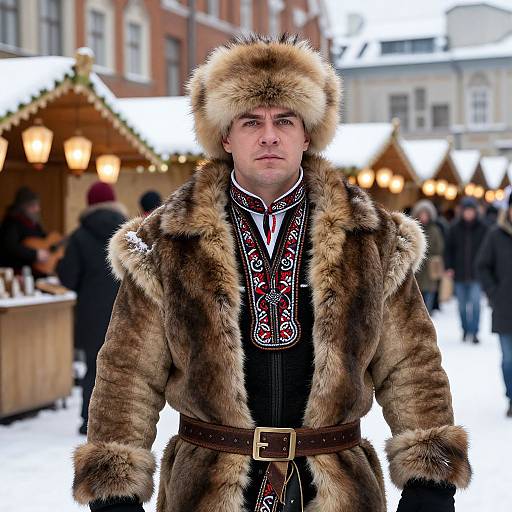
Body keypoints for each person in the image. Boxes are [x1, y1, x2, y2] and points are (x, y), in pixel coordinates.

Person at [72, 36, 470, 512]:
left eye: (284, 120)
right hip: (207, 491)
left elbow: (409, 363)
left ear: (308, 133)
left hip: (336, 489)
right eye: (250, 121)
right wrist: (114, 487)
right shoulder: (167, 242)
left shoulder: (371, 237)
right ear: (225, 135)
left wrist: (431, 478)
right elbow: (129, 371)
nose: (269, 136)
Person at [57, 182, 127, 435]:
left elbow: (67, 278)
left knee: (94, 368)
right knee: (124, 368)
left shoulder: (79, 236)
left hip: (91, 314)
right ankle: (120, 421)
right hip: (127, 312)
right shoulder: (127, 232)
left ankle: (89, 420)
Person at [477, 193, 512, 417]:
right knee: (509, 360)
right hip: (505, 307)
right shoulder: (495, 235)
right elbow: (482, 266)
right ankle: (511, 397)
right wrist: (494, 292)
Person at [445, 197, 488, 344]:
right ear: (462, 212)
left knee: (476, 305)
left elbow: (488, 251)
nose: (469, 214)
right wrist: (449, 267)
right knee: (462, 306)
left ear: (475, 212)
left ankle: (474, 332)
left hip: (477, 274)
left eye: (471, 211)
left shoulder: (483, 228)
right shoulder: (454, 228)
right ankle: (465, 329)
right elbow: (448, 249)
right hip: (459, 273)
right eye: (466, 211)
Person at [0, 186, 49, 273]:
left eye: (37, 205)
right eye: (33, 206)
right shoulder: (12, 222)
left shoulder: (34, 223)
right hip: (16, 271)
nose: (37, 209)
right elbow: (11, 247)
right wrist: (35, 254)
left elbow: (43, 239)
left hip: (35, 270)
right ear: (23, 206)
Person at [411, 200, 444, 314]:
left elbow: (439, 247)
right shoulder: (412, 228)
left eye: (426, 214)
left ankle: (427, 314)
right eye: (422, 214)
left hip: (430, 268)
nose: (424, 217)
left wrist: (428, 255)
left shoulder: (435, 230)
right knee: (416, 293)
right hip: (416, 267)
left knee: (429, 293)